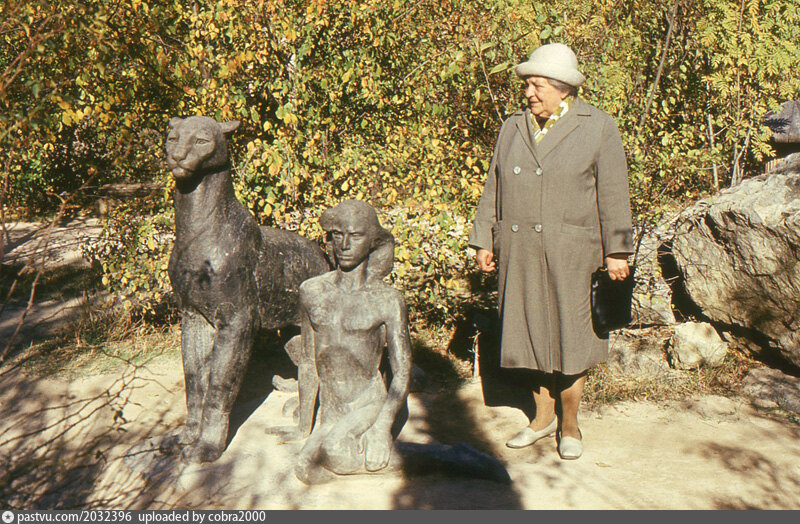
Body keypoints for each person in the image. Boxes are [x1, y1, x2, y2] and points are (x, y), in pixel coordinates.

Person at [468, 43, 633, 460]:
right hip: (520, 249)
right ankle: (542, 419)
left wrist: (617, 250)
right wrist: (484, 238)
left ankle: (570, 424)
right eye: (528, 85)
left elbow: (614, 193)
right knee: (529, 334)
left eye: (538, 85)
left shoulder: (598, 126)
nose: (529, 93)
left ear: (563, 88)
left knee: (572, 338)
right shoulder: (512, 127)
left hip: (573, 252)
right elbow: (494, 186)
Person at [292, 199, 411, 484]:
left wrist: (381, 428)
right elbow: (308, 362)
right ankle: (352, 448)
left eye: (355, 236)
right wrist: (303, 427)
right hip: (331, 408)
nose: (344, 245)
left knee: (335, 453)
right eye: (338, 235)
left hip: (367, 403)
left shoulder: (387, 299)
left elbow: (402, 370)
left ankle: (453, 458)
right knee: (306, 469)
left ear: (373, 242)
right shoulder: (312, 291)